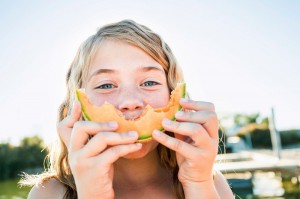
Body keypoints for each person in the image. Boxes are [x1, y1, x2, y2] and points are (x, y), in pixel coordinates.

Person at [22, 19, 234, 199]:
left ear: (173, 92)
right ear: (77, 105)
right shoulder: (48, 193)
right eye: (106, 85)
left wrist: (197, 184)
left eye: (150, 82)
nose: (130, 102)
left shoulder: (211, 184)